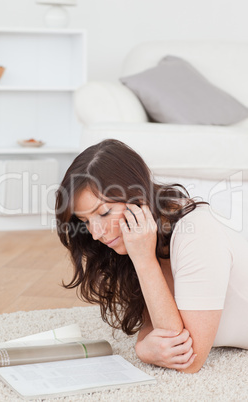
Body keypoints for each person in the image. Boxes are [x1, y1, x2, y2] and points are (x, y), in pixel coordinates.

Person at [55, 139, 248, 373]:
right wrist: (144, 344)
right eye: (86, 221)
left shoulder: (196, 233)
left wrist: (144, 260)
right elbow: (153, 320)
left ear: (138, 197)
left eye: (104, 213)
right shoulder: (140, 238)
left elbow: (188, 359)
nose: (96, 233)